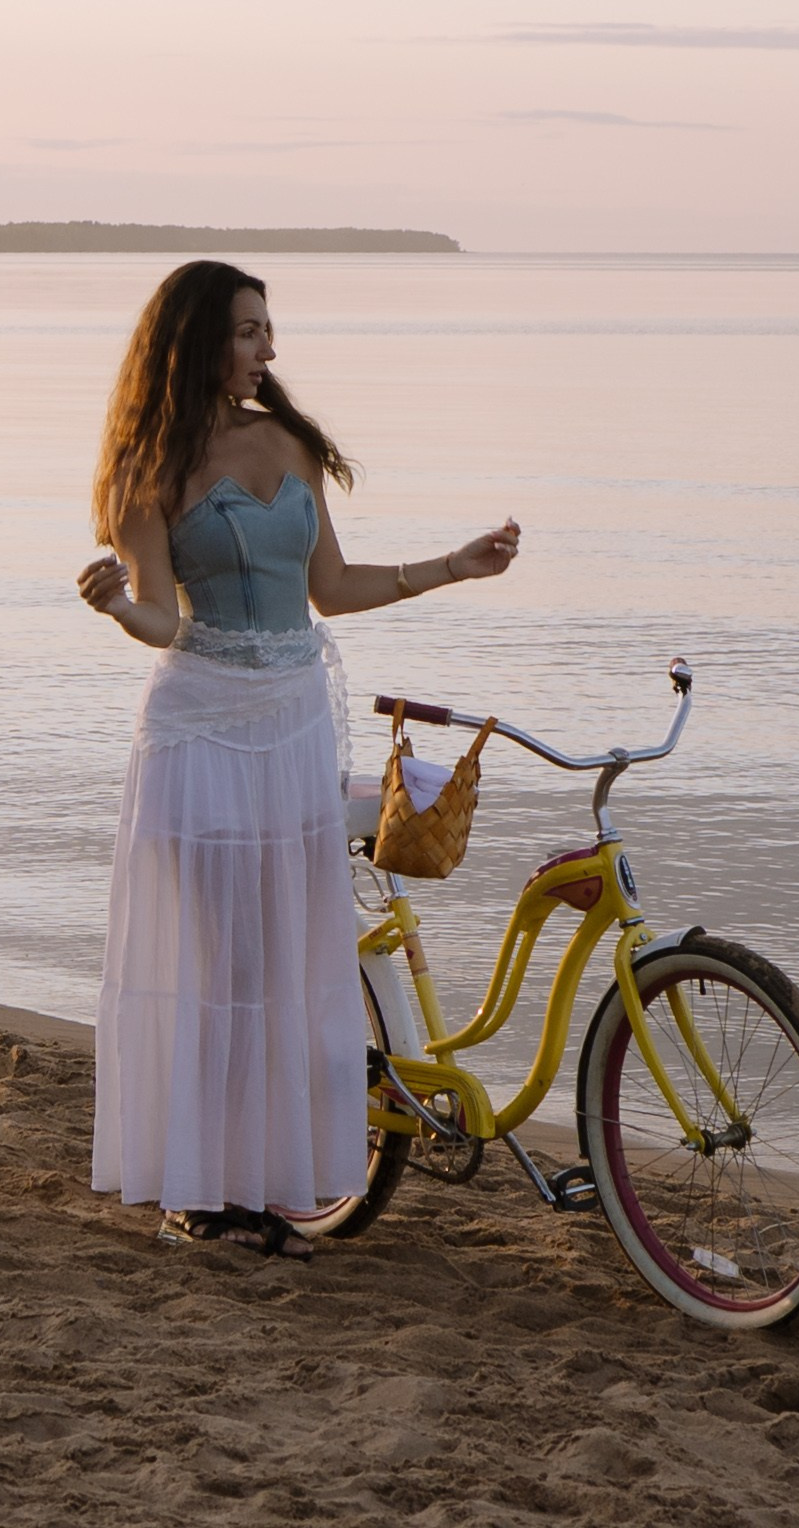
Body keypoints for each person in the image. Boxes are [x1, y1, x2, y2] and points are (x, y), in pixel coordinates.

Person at [76, 261, 520, 1259]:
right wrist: (116, 607)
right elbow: (159, 614)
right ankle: (201, 1192)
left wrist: (453, 566)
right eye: (247, 332)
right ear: (195, 341)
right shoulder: (147, 464)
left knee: (285, 961)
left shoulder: (293, 443)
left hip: (292, 726)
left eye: (268, 331)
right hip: (198, 729)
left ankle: (272, 1185)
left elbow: (329, 586)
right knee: (220, 962)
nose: (269, 350)